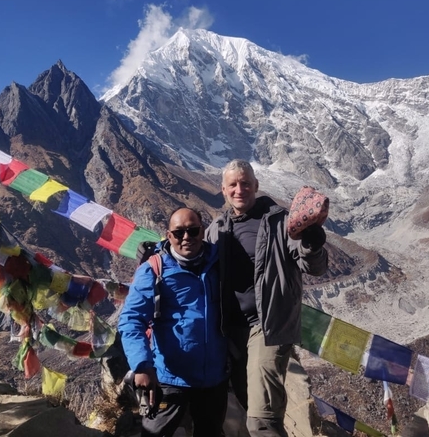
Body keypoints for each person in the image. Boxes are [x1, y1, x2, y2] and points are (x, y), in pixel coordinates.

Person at [206, 159, 328, 437]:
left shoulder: (279, 222)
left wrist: (311, 244)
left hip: (267, 327)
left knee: (261, 421)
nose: (240, 189)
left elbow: (315, 267)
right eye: (233, 184)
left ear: (256, 186)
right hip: (230, 334)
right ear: (223, 190)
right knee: (249, 405)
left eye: (245, 183)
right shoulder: (217, 228)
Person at [118, 207, 229, 437]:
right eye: (179, 233)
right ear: (169, 236)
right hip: (170, 376)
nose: (186, 237)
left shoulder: (219, 262)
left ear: (203, 232)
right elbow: (131, 320)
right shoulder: (154, 270)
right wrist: (141, 365)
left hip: (214, 376)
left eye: (193, 230)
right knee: (154, 433)